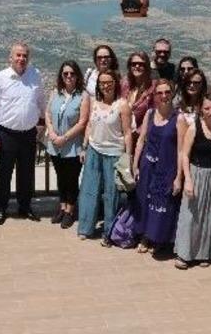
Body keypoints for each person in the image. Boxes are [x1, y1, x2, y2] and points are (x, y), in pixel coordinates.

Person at [0, 42, 46, 224]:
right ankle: (1, 208)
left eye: (24, 56)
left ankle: (25, 206)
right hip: (7, 134)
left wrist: (43, 124)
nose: (21, 59)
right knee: (4, 174)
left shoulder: (35, 75)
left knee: (27, 173)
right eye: (18, 55)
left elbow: (41, 101)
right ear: (10, 57)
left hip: (28, 133)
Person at [77, 68, 133, 244]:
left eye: (109, 82)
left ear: (115, 84)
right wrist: (84, 147)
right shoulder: (94, 102)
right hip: (94, 150)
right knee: (89, 190)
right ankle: (85, 228)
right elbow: (89, 125)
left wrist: (128, 157)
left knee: (111, 194)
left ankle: (109, 232)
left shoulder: (122, 105)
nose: (105, 86)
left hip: (114, 154)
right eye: (102, 83)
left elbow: (127, 133)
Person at [175, 91, 211, 269]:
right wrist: (187, 179)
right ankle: (184, 254)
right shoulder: (194, 128)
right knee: (191, 216)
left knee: (209, 217)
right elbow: (185, 155)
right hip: (196, 173)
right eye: (207, 108)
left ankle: (204, 253)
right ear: (201, 110)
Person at [131, 78, 181, 254]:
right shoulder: (150, 114)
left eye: (167, 92)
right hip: (147, 166)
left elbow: (181, 150)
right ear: (155, 95)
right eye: (159, 93)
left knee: (162, 204)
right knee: (145, 200)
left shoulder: (179, 118)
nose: (163, 96)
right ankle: (145, 236)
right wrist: (135, 165)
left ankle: (158, 238)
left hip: (167, 168)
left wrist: (179, 176)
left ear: (172, 94)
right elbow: (141, 141)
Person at [45, 61, 90, 229]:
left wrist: (64, 138)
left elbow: (82, 122)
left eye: (72, 73)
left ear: (77, 75)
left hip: (73, 146)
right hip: (55, 145)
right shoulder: (55, 93)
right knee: (61, 177)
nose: (69, 76)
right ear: (61, 76)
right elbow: (47, 113)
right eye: (65, 74)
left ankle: (70, 211)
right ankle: (62, 208)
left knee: (71, 180)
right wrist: (51, 132)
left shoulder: (83, 96)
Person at [121, 51, 155, 135]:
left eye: (141, 64)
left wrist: (138, 133)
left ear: (147, 67)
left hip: (140, 134)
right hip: (121, 131)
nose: (137, 66)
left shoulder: (153, 87)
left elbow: (154, 115)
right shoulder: (124, 83)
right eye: (134, 64)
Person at [177, 68, 207, 144]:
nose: (191, 85)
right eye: (188, 82)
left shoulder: (207, 106)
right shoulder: (177, 104)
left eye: (196, 83)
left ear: (202, 85)